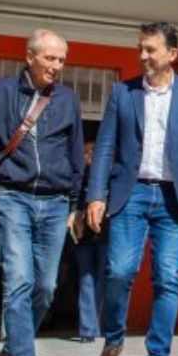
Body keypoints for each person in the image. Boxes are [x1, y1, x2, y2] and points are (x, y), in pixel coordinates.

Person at [86, 21, 178, 356]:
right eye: (141, 49)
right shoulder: (122, 93)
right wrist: (96, 194)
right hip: (130, 195)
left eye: (150, 50)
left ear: (171, 55)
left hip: (174, 199)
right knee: (119, 270)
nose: (142, 56)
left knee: (167, 278)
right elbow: (106, 146)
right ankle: (112, 345)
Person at [0, 29, 85, 356]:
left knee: (46, 286)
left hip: (55, 202)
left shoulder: (68, 99)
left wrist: (76, 205)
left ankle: (12, 349)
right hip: (13, 197)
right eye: (50, 58)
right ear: (30, 56)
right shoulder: (0, 93)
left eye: (61, 59)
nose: (56, 66)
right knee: (18, 280)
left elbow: (76, 153)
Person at [71, 141, 106, 343]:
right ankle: (88, 329)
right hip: (82, 234)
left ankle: (99, 324)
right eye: (86, 152)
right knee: (86, 278)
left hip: (105, 232)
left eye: (93, 152)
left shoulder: (108, 176)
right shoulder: (78, 177)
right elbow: (72, 200)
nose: (90, 156)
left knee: (103, 278)